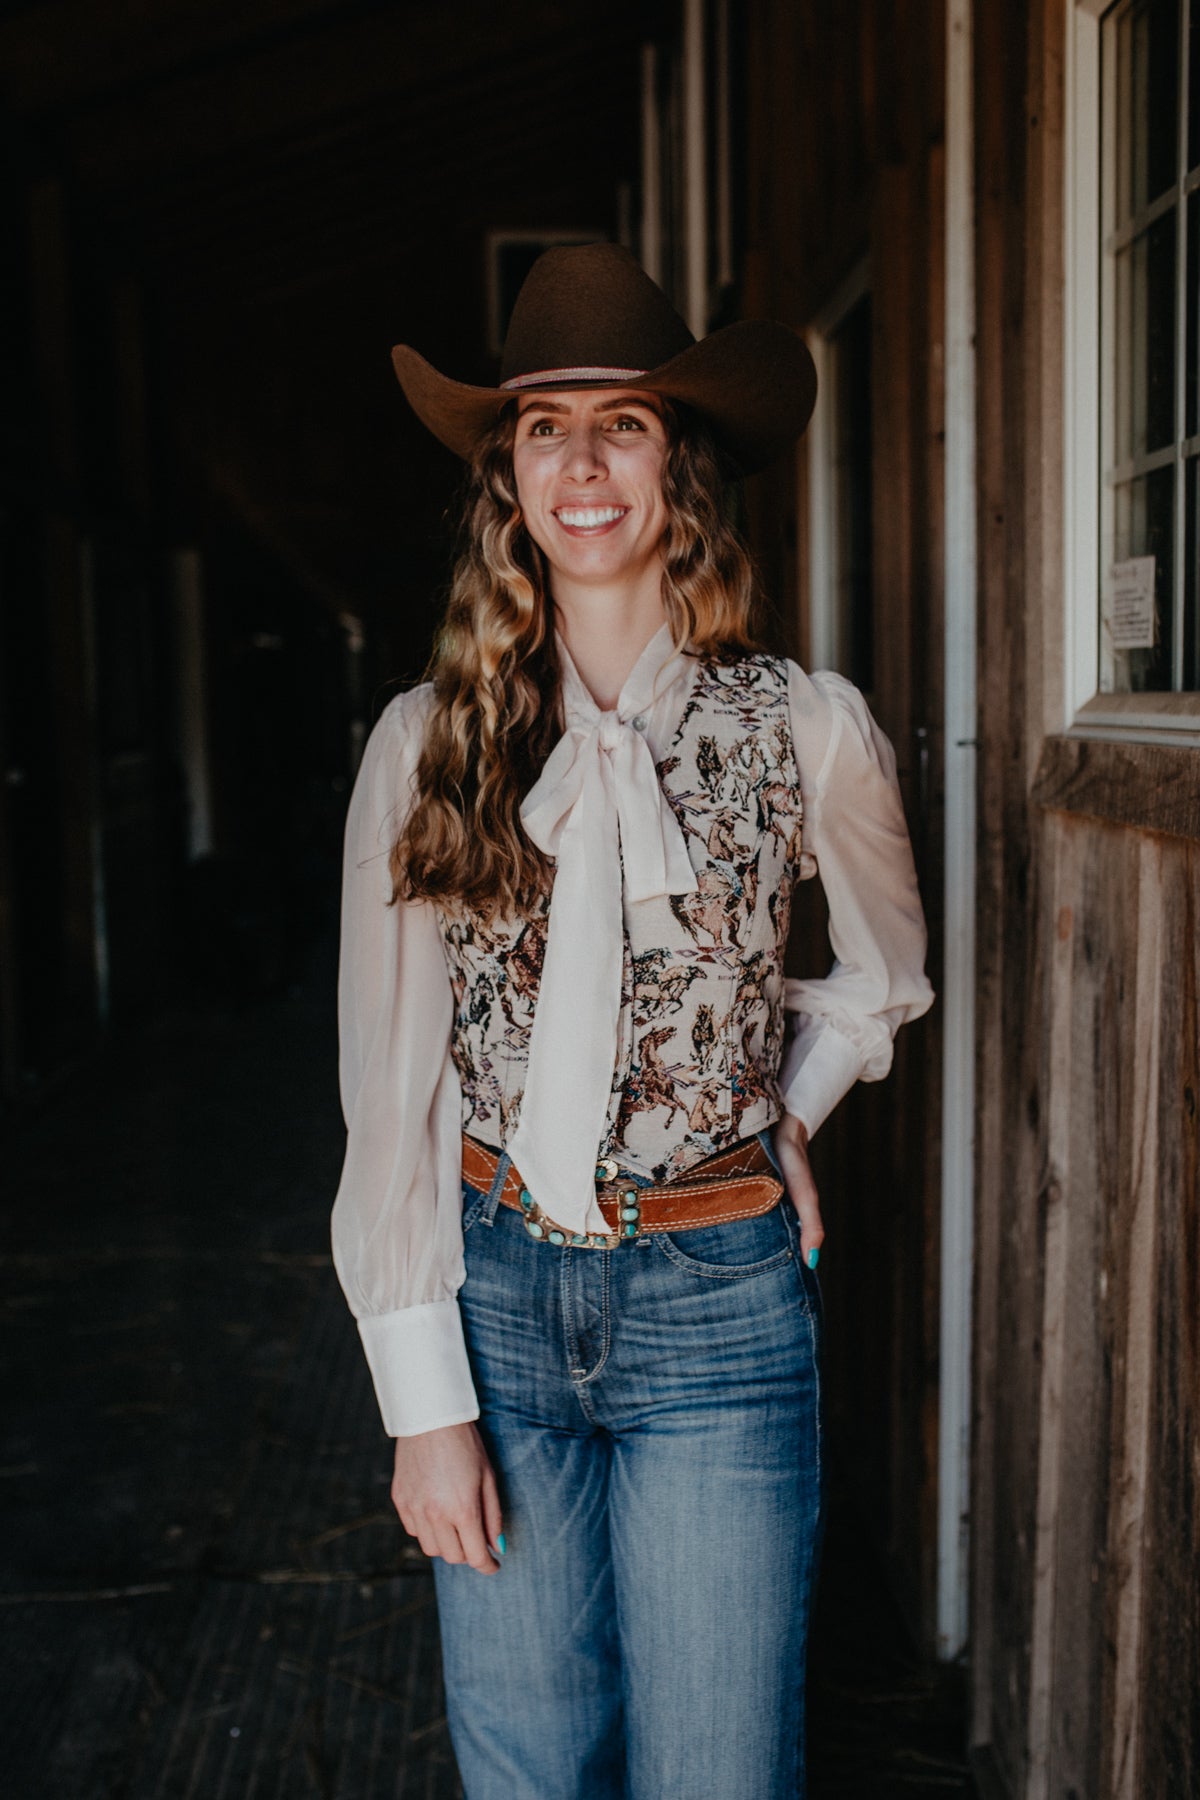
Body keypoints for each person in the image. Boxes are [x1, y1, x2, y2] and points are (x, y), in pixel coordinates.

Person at [331, 243, 933, 1799]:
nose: (582, 462)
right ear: (508, 478)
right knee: (529, 1767)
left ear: (684, 467)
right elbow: (388, 1096)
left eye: (625, 423)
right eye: (544, 426)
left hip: (720, 1303)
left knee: (720, 1772)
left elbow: (878, 976)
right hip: (496, 1302)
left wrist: (784, 1106)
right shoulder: (424, 745)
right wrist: (421, 1407)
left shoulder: (810, 727)